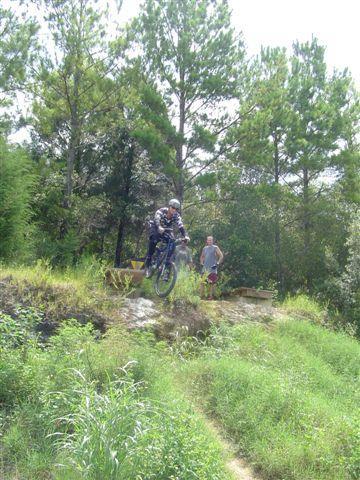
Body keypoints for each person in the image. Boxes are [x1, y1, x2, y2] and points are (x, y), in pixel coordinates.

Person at [145, 199, 190, 278]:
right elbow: (156, 219)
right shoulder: (161, 211)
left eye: (176, 209)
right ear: (169, 206)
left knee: (172, 243)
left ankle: (166, 269)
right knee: (154, 240)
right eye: (173, 207)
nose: (174, 210)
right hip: (156, 227)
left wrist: (185, 235)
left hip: (167, 230)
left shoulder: (177, 216)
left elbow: (180, 226)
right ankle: (148, 262)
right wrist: (159, 226)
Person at [200, 236, 224, 300]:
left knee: (211, 283)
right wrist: (202, 263)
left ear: (212, 241)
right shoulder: (204, 248)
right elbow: (202, 256)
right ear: (207, 241)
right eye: (208, 240)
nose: (209, 241)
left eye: (210, 240)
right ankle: (201, 296)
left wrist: (217, 263)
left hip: (213, 268)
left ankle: (211, 297)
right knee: (202, 282)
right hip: (205, 268)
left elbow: (221, 256)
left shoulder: (215, 247)